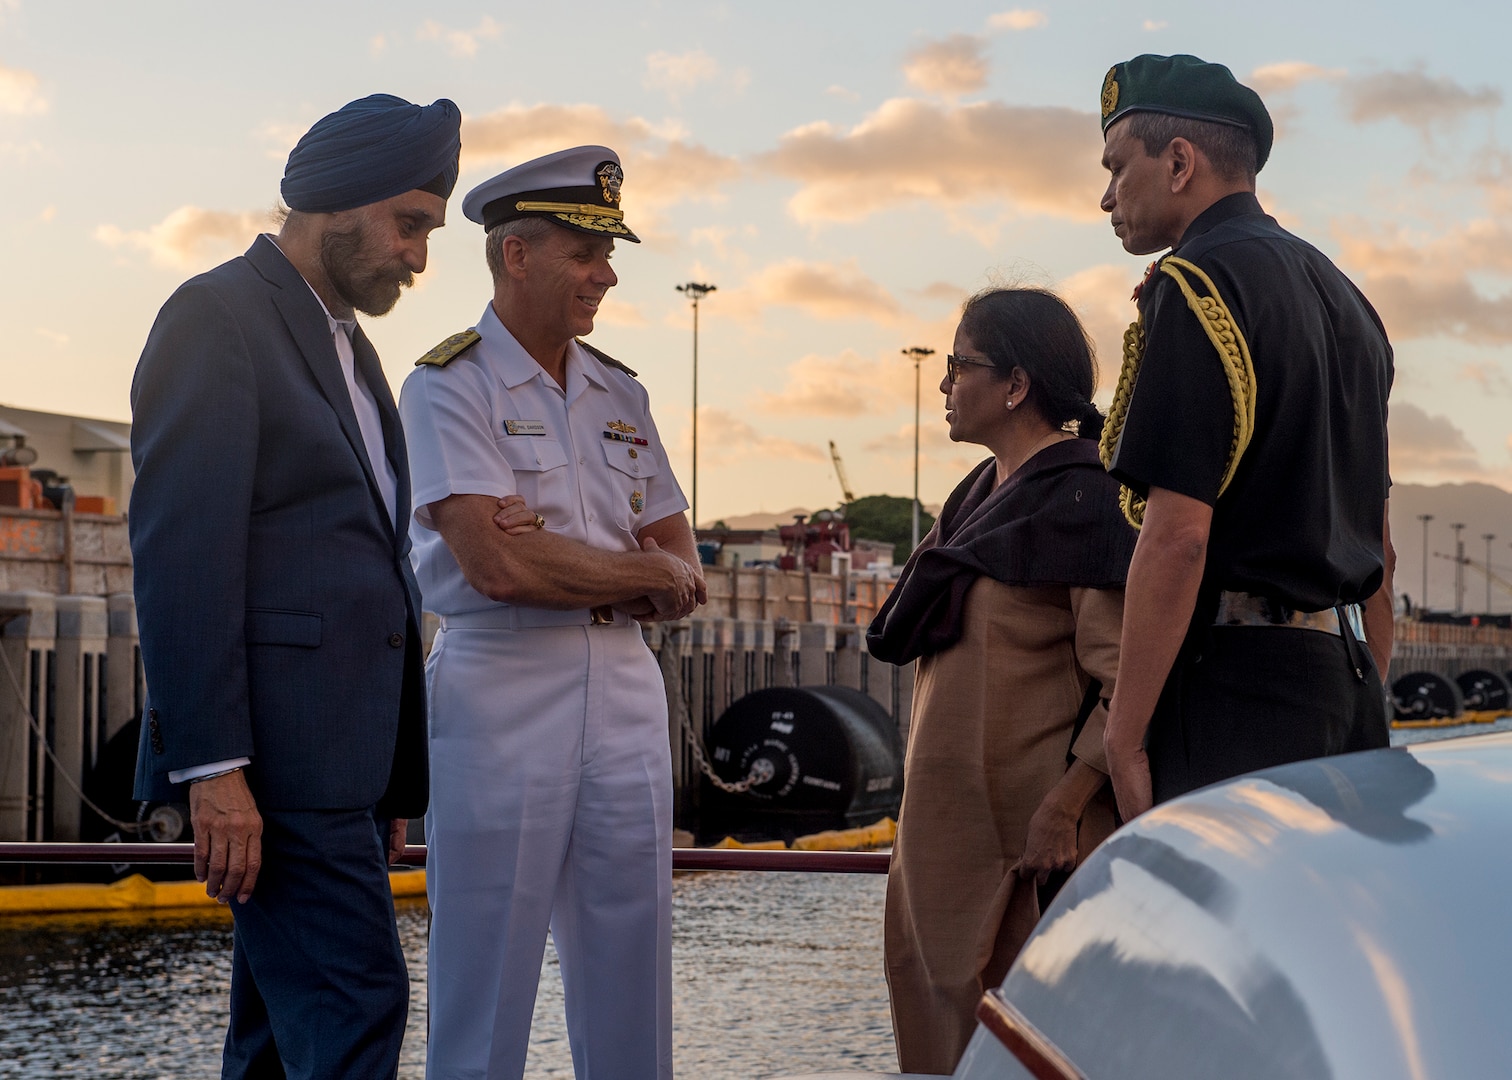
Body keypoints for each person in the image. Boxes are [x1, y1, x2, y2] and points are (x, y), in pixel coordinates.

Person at [129, 94, 460, 1078]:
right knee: (358, 1009)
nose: (418, 258)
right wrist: (214, 771)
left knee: (278, 1042)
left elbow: (361, 565)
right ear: (339, 202)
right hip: (273, 771)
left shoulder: (349, 349)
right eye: (411, 225)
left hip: (339, 777)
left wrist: (383, 770)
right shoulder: (215, 318)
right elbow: (183, 558)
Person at [398, 145, 704, 1080]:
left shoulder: (623, 392)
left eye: (609, 254)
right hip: (501, 683)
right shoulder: (448, 384)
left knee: (633, 962)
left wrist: (568, 559)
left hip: (622, 687)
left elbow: (685, 571)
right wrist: (629, 568)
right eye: (585, 251)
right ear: (514, 254)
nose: (606, 275)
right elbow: (496, 567)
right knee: (485, 966)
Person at [1094, 54, 1395, 821]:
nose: (1106, 198)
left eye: (1118, 168)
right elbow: (1380, 550)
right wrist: (1367, 688)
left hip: (1237, 693)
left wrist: (1124, 740)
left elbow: (1177, 539)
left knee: (1215, 935)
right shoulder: (1348, 301)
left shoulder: (1198, 285)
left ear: (1180, 161)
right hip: (1345, 683)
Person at [868, 288, 1136, 1075]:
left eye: (959, 366)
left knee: (1019, 1048)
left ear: (1015, 385)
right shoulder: (974, 501)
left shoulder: (1088, 500)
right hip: (938, 843)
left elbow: (1125, 677)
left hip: (1024, 852)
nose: (945, 384)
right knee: (934, 1034)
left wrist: (1065, 807)